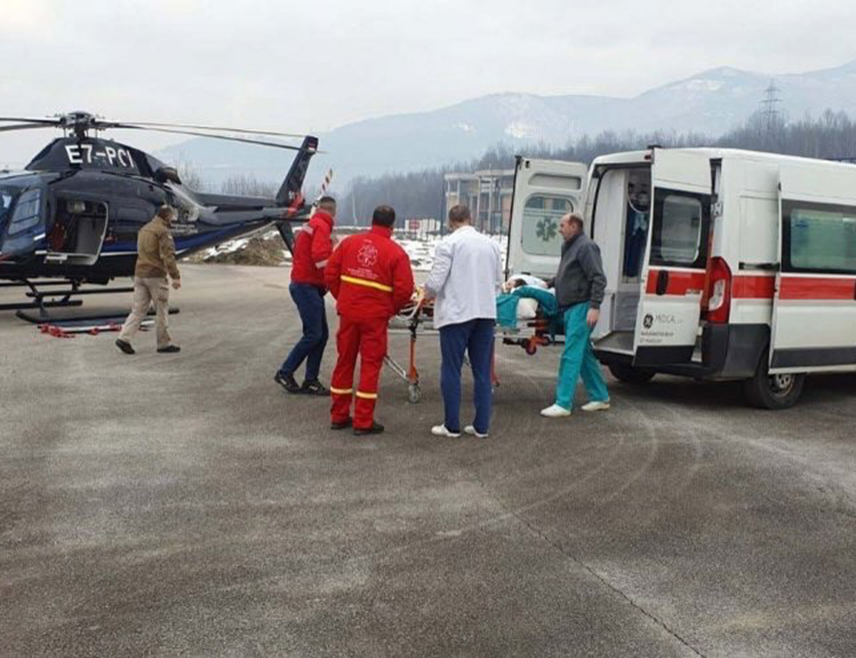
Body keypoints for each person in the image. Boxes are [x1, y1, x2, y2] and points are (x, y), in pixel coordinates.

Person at [326, 205, 414, 435]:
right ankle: (363, 421)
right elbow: (405, 290)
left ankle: (339, 415)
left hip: (348, 313)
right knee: (370, 365)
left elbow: (330, 274)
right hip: (375, 317)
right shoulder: (396, 253)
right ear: (392, 227)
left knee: (344, 361)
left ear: (371, 221)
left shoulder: (348, 243)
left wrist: (343, 297)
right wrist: (389, 308)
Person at [424, 204, 502, 439]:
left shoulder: (448, 244)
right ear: (471, 218)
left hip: (457, 314)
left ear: (451, 222)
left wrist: (426, 294)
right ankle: (481, 426)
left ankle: (451, 425)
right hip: (485, 314)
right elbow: (498, 282)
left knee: (451, 368)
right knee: (482, 371)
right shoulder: (492, 245)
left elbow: (435, 282)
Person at [540, 213, 610, 418]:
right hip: (571, 307)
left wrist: (594, 306)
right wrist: (550, 283)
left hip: (581, 306)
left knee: (570, 355)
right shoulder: (570, 246)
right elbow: (569, 273)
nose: (559, 229)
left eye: (562, 225)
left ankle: (563, 403)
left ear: (574, 226)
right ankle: (600, 396)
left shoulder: (586, 247)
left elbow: (598, 278)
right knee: (584, 354)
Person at [275, 196, 337, 395]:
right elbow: (320, 256)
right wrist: (332, 275)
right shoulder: (322, 226)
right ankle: (286, 371)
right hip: (307, 286)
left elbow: (308, 254)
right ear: (333, 211)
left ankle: (310, 379)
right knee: (314, 334)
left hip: (305, 285)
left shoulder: (310, 225)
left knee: (320, 334)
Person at [116, 204, 181, 355]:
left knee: (138, 309)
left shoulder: (144, 229)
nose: (173, 220)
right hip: (156, 276)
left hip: (140, 274)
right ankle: (163, 344)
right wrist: (175, 276)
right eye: (172, 217)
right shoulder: (163, 231)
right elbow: (169, 256)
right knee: (161, 309)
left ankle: (124, 337)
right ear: (167, 216)